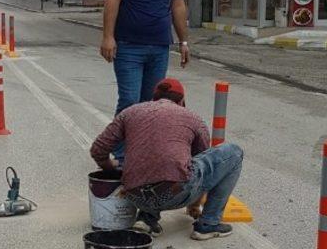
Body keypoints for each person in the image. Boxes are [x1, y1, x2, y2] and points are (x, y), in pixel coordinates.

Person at [90, 77, 243, 240]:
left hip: (135, 197)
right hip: (175, 194)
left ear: (153, 98)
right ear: (182, 101)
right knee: (234, 152)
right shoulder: (193, 118)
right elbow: (202, 165)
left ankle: (147, 219)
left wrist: (110, 168)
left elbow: (98, 149)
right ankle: (208, 224)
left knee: (149, 162)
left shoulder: (130, 112)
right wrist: (194, 204)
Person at [100, 0, 190, 125]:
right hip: (128, 45)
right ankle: (121, 154)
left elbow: (178, 5)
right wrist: (108, 36)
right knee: (130, 102)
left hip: (159, 46)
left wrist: (183, 42)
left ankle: (140, 153)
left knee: (150, 105)